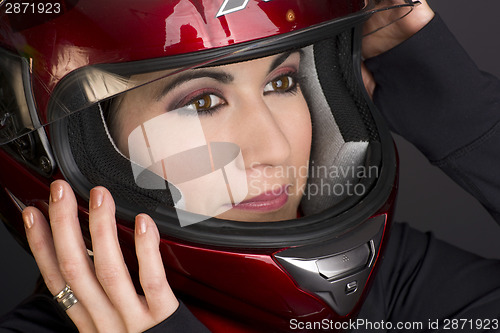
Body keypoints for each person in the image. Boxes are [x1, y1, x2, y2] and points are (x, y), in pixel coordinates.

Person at [0, 1, 499, 332]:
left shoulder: (388, 280)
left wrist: (462, 113)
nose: (276, 150)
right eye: (200, 102)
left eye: (282, 83)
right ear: (84, 152)